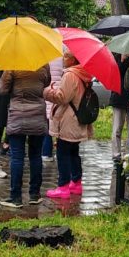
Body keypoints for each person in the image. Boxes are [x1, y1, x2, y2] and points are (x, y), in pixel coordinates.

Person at [0, 65, 51, 208]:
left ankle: (16, 197)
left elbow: (1, 90)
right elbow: (46, 83)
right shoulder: (43, 64)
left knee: (17, 157)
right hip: (38, 116)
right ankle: (34, 194)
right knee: (35, 155)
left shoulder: (12, 64)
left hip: (18, 115)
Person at [43, 49, 95, 200]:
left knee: (63, 153)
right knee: (73, 152)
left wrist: (48, 91)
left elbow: (62, 98)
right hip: (78, 119)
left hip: (68, 120)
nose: (63, 58)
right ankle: (76, 183)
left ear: (73, 60)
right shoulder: (84, 74)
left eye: (66, 56)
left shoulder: (70, 75)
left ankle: (63, 186)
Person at [108, 54, 129, 162]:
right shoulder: (115, 57)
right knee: (117, 129)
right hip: (118, 97)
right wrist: (122, 60)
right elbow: (113, 75)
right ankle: (116, 154)